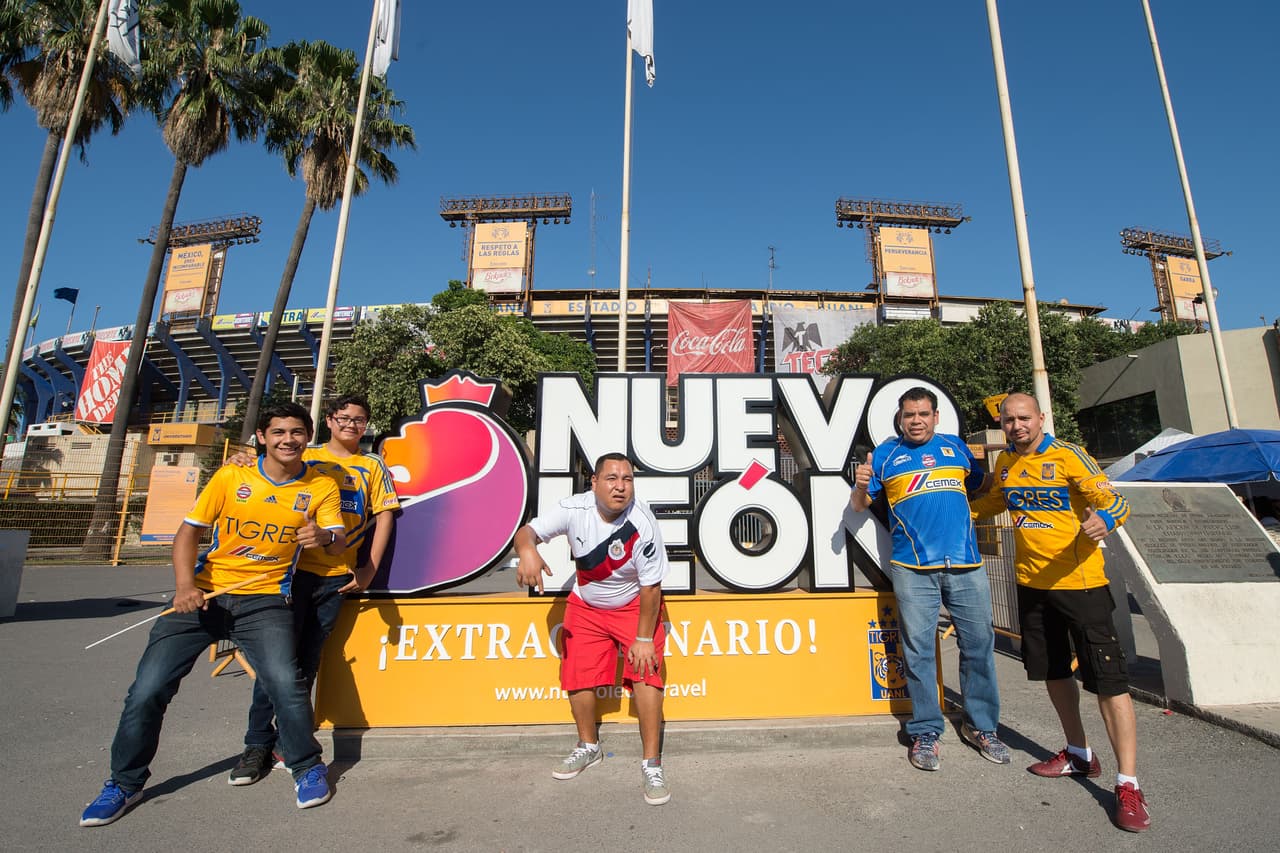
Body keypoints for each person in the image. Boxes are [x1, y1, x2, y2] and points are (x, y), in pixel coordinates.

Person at [79, 402, 347, 827]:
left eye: (297, 432)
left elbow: (335, 538)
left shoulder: (320, 487)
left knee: (285, 682)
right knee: (147, 690)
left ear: (307, 437)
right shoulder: (232, 475)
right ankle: (124, 783)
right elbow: (189, 533)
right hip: (204, 596)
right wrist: (185, 587)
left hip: (264, 600)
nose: (288, 440)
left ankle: (306, 767)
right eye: (278, 432)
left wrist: (324, 534)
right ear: (262, 437)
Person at [970, 392, 1149, 833]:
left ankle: (1129, 785)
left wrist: (1105, 520)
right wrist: (938, 508)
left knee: (1109, 683)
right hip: (1032, 587)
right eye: (1008, 420)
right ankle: (1078, 754)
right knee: (1054, 673)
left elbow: (1116, 502)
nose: (1016, 426)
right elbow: (989, 504)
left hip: (1082, 586)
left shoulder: (1070, 456)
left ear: (1041, 418)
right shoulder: (1006, 465)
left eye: (1024, 418)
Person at [228, 395, 401, 785]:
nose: (351, 425)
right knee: (277, 666)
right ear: (328, 421)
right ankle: (256, 744)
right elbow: (260, 475)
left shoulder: (372, 465)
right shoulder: (305, 453)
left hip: (335, 575)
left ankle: (288, 743)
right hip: (286, 573)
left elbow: (384, 515)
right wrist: (239, 459)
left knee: (306, 663)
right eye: (344, 418)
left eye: (360, 420)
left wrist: (368, 568)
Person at [851, 386, 1009, 771]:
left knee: (978, 648)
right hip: (912, 568)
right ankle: (925, 731)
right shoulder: (886, 455)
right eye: (909, 415)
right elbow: (860, 506)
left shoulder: (955, 448)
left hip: (967, 565)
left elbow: (981, 487)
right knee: (919, 653)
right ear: (900, 418)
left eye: (923, 414)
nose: (916, 421)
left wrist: (1017, 481)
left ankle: (981, 727)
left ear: (935, 416)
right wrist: (858, 486)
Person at [514, 452, 672, 806]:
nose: (620, 487)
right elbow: (528, 532)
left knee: (647, 675)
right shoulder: (574, 510)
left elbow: (651, 588)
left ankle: (652, 763)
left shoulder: (643, 523)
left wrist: (643, 638)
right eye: (612, 478)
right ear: (595, 483)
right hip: (586, 606)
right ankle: (589, 746)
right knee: (577, 676)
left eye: (627, 479)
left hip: (634, 606)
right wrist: (527, 552)